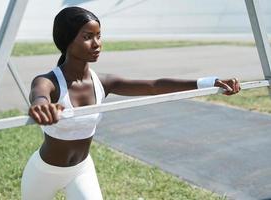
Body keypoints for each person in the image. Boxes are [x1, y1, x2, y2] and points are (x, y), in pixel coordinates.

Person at [21, 6, 241, 200]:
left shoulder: (103, 82)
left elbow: (153, 85)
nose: (97, 43)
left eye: (99, 35)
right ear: (67, 39)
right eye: (88, 36)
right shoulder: (48, 81)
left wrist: (209, 83)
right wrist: (41, 106)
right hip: (44, 172)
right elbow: (39, 94)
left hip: (81, 170)